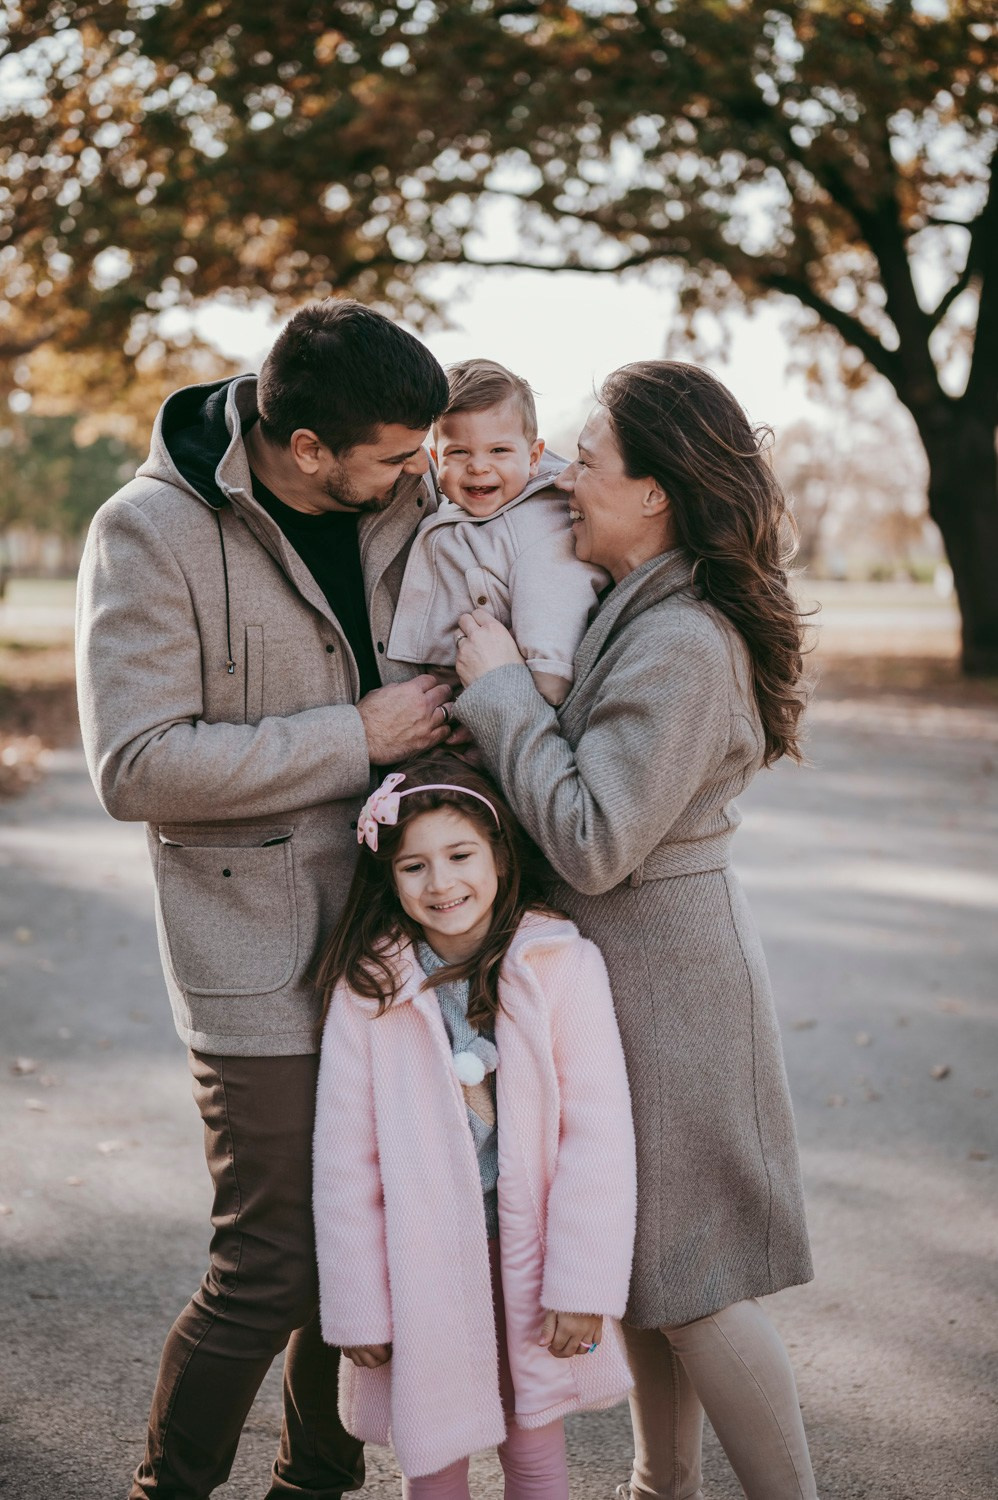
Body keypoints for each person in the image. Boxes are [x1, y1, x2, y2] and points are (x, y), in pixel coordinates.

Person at [75, 300, 459, 1499]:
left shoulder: (415, 500)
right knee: (274, 1262)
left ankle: (314, 1485)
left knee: (373, 1251)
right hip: (248, 948)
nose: (421, 472)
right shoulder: (147, 533)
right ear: (306, 451)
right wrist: (351, 736)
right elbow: (135, 764)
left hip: (402, 941)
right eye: (398, 455)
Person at [451, 361, 820, 1500]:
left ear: (655, 491)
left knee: (696, 1276)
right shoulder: (634, 605)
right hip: (622, 970)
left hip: (668, 979)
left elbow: (595, 837)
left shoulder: (682, 642)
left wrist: (501, 689)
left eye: (588, 458)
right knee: (648, 1267)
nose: (560, 474)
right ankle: (659, 1488)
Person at [312, 753, 637, 1498]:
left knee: (534, 1440)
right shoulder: (372, 988)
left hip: (532, 1255)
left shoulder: (558, 966)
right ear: (389, 879)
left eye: (459, 855)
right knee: (433, 1450)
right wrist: (360, 1304)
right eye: (414, 867)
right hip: (420, 1265)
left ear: (497, 853)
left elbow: (599, 1138)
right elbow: (344, 1161)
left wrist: (582, 1284)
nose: (441, 883)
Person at [386, 358, 607, 705]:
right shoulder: (466, 507)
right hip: (452, 690)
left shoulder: (540, 519)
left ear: (533, 457)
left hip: (510, 691)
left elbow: (555, 592)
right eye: (458, 452)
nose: (478, 466)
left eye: (499, 451)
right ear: (436, 457)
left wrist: (546, 673)